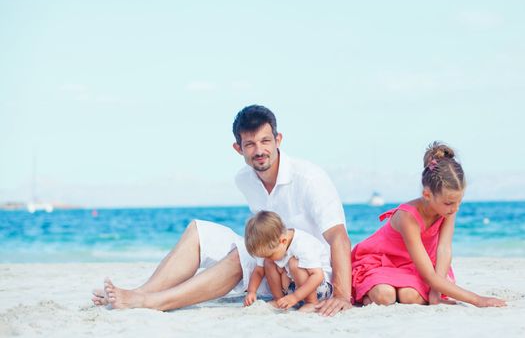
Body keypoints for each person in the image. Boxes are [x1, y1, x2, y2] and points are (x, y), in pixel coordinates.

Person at [92, 105, 352, 316]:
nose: (259, 151)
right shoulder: (244, 179)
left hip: (309, 275)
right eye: (249, 144)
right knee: (199, 231)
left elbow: (338, 236)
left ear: (278, 140)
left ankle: (152, 302)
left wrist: (342, 295)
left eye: (265, 141)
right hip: (273, 264)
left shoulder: (309, 178)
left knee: (242, 254)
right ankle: (140, 294)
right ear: (238, 148)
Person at [351, 142, 506, 307]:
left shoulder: (449, 209)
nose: (455, 208)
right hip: (381, 262)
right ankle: (369, 294)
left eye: (459, 202)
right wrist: (478, 300)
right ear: (427, 194)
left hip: (416, 266)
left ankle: (392, 293)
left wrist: (435, 292)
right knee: (385, 295)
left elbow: (444, 249)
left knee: (409, 296)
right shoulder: (407, 217)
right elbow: (429, 277)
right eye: (449, 203)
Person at [243, 211, 333, 312]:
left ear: (283, 241)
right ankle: (279, 299)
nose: (268, 258)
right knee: (268, 263)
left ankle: (311, 302)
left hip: (319, 287)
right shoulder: (268, 243)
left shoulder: (302, 245)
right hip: (295, 287)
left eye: (270, 255)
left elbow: (317, 276)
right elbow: (259, 271)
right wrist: (251, 291)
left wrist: (295, 297)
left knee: (294, 263)